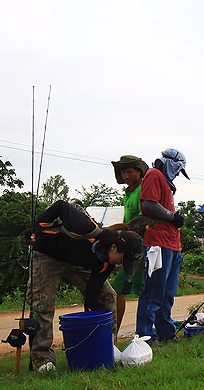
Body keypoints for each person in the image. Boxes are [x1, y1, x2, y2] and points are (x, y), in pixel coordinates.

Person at [27, 199, 143, 372]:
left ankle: (105, 347)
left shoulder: (106, 263)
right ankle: (42, 359)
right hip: (47, 253)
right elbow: (61, 206)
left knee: (107, 297)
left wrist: (92, 327)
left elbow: (92, 294)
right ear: (113, 247)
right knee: (42, 303)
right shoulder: (85, 227)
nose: (120, 264)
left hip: (77, 261)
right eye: (122, 258)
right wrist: (36, 228)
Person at [136, 148, 190, 344]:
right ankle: (144, 337)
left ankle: (166, 334)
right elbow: (148, 204)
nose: (177, 174)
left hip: (173, 245)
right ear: (169, 162)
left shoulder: (166, 183)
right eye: (177, 169)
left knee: (167, 294)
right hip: (158, 244)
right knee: (153, 293)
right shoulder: (154, 174)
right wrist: (172, 217)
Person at [108, 155, 149, 334]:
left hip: (142, 245)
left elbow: (143, 219)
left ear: (139, 172)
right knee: (120, 289)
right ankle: (115, 331)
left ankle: (144, 332)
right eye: (123, 172)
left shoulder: (143, 189)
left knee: (140, 290)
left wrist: (116, 227)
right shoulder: (128, 192)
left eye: (129, 171)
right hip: (129, 245)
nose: (126, 175)